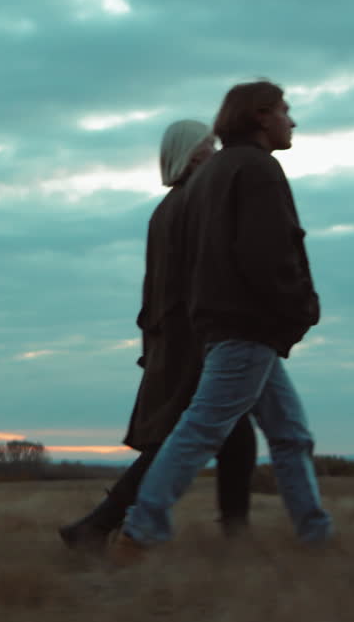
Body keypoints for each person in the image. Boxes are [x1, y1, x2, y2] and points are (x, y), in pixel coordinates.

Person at [116, 81, 332, 558]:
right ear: (260, 116)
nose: (292, 121)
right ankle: (142, 528)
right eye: (284, 111)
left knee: (290, 435)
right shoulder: (256, 169)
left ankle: (316, 536)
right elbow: (269, 252)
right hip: (249, 323)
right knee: (203, 428)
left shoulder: (214, 175)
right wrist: (302, 308)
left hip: (230, 323)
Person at [58, 119, 257, 552]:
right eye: (209, 145)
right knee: (181, 439)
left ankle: (235, 536)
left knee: (232, 434)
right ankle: (98, 525)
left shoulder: (169, 207)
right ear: (193, 155)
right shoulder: (192, 205)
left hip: (179, 339)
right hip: (193, 341)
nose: (216, 152)